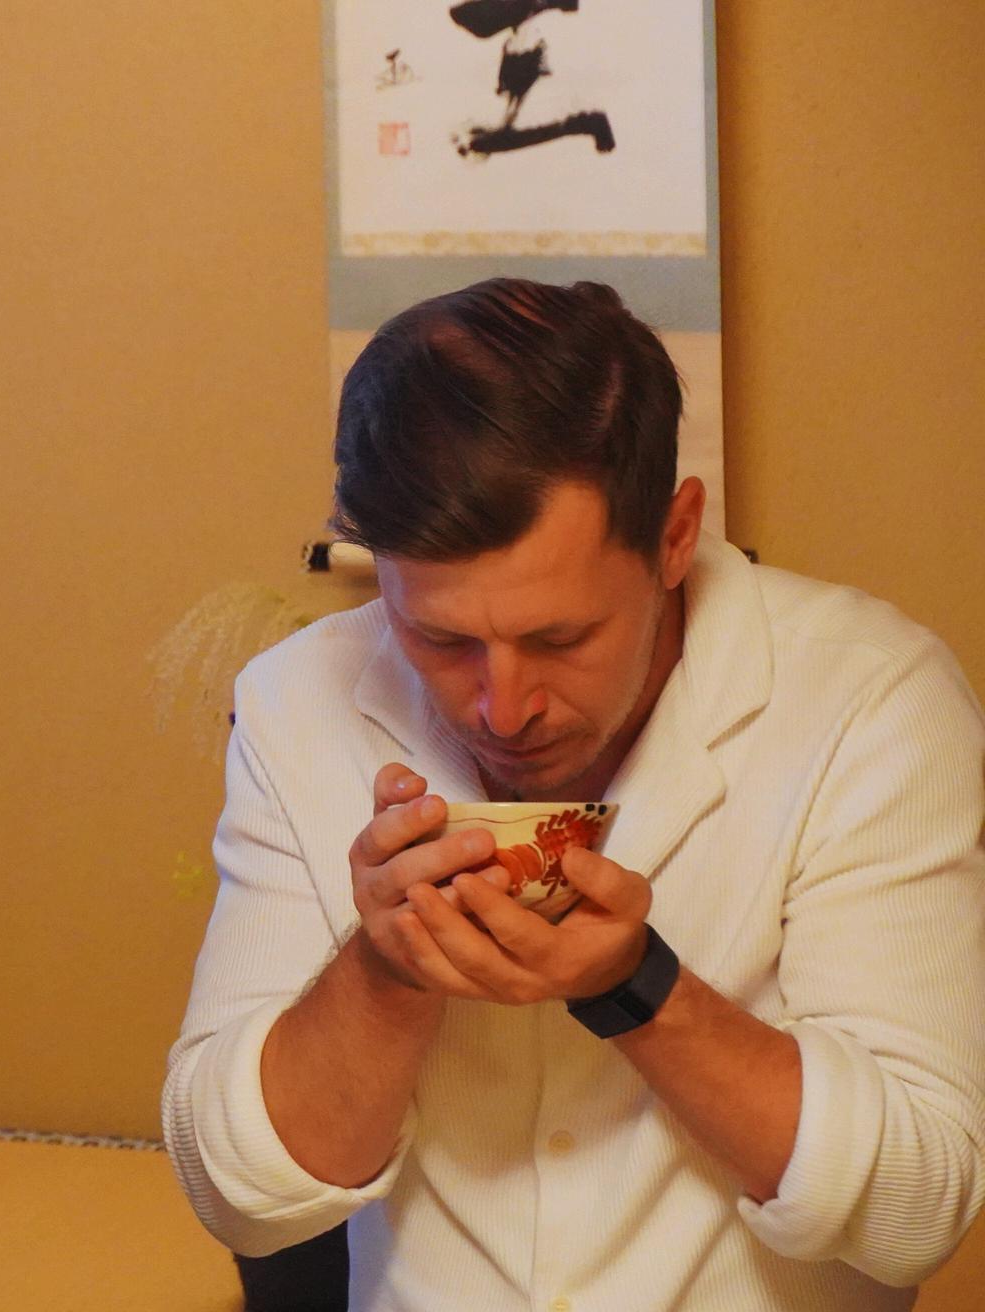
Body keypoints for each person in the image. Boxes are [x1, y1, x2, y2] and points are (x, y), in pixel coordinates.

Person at [163, 278, 985, 1310]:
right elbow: (238, 1199)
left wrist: (639, 988)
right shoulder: (300, 699)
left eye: (560, 638)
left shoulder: (869, 699)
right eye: (441, 638)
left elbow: (917, 1211)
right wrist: (384, 970)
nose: (502, 709)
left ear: (675, 537)